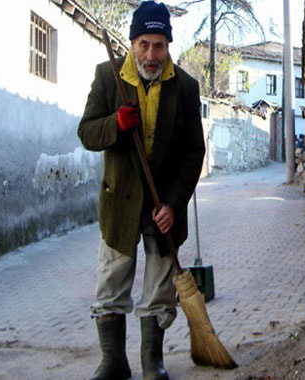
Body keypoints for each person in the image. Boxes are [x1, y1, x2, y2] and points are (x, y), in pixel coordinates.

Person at [77, 2, 205, 379]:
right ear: (133, 43)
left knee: (160, 288)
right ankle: (114, 361)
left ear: (168, 45)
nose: (152, 55)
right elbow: (86, 132)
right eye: (144, 44)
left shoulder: (184, 87)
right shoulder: (108, 77)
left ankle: (153, 362)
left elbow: (193, 151)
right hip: (120, 203)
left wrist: (174, 202)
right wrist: (115, 124)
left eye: (159, 45)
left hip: (163, 206)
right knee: (112, 282)